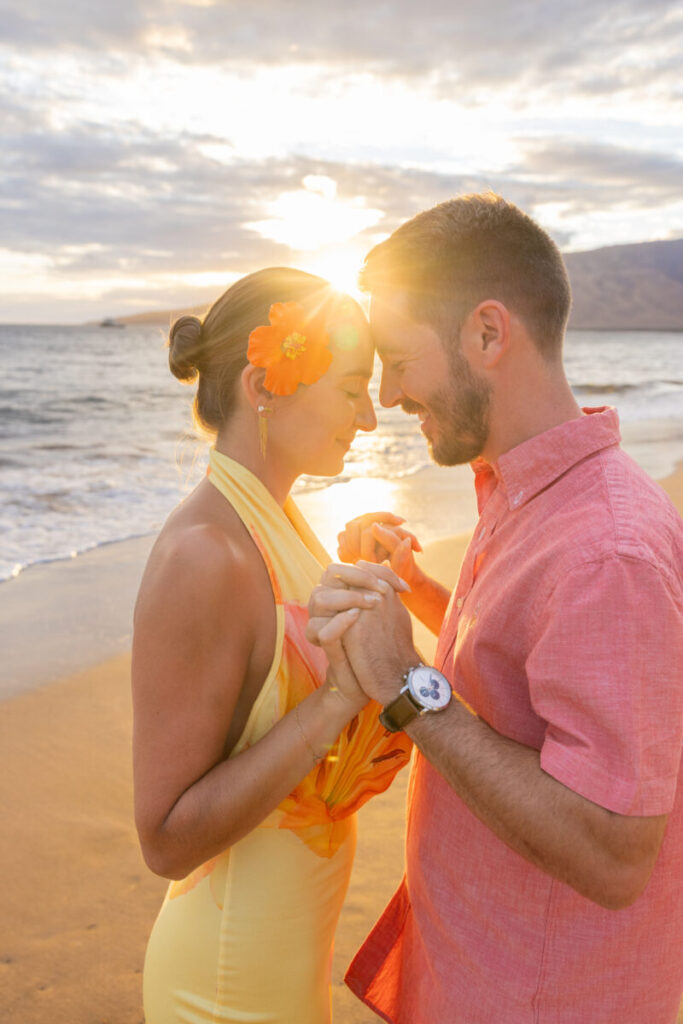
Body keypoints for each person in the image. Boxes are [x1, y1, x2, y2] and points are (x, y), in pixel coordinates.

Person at [306, 194, 683, 1023]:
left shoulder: (605, 550)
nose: (390, 396)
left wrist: (405, 683)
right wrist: (416, 590)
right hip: (478, 966)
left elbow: (614, 853)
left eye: (399, 360)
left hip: (534, 997)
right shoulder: (527, 489)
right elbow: (524, 666)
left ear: (485, 333)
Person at [131, 267, 412, 1024]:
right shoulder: (205, 554)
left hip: (278, 968)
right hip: (225, 990)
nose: (369, 419)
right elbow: (165, 840)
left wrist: (355, 572)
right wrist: (336, 701)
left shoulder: (271, 518)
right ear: (264, 384)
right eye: (352, 390)